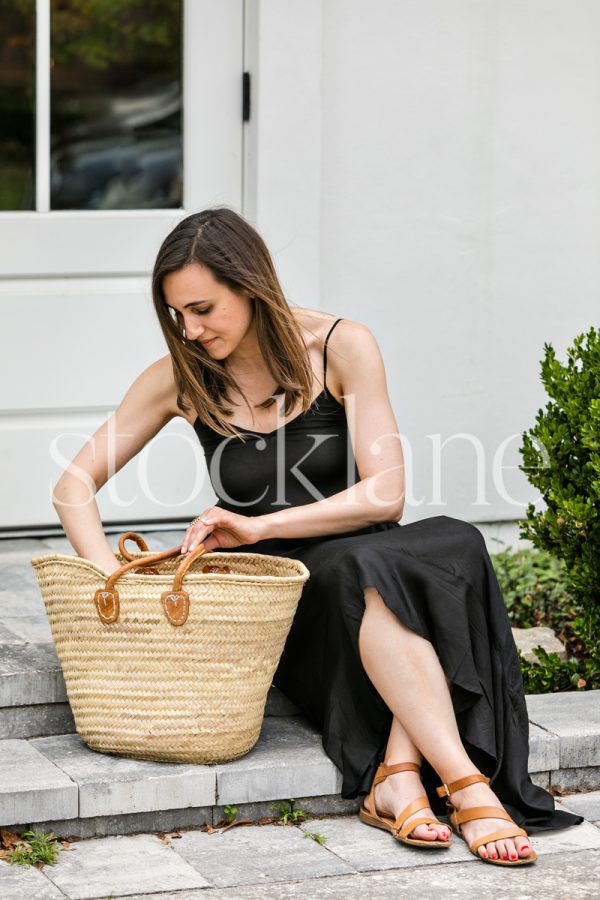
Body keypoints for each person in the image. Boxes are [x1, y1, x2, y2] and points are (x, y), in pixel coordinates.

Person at [52, 207, 582, 867]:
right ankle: (465, 784)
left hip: (362, 565)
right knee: (386, 570)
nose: (189, 329)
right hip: (283, 599)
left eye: (203, 309)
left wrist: (257, 523)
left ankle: (400, 777)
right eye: (176, 315)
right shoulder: (179, 378)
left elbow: (387, 493)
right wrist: (112, 580)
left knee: (446, 543)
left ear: (250, 286)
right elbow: (73, 484)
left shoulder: (342, 346)